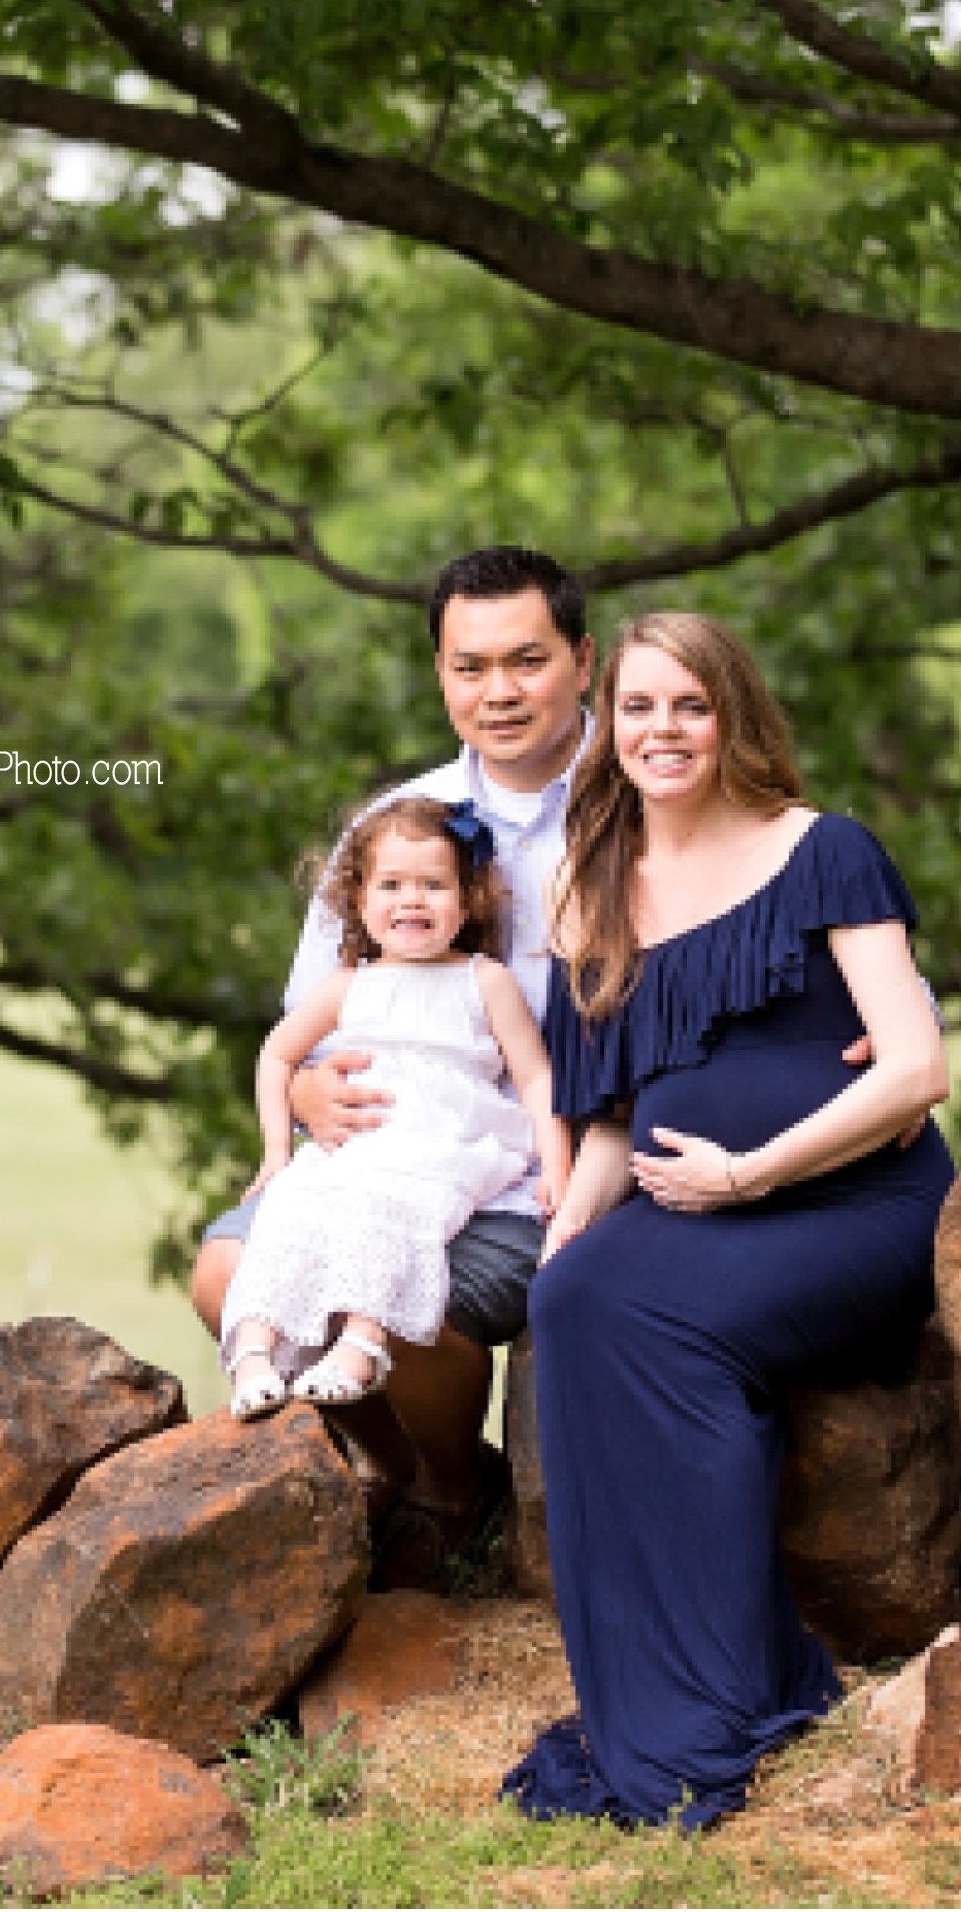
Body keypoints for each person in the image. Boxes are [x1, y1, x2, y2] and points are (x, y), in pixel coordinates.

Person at [503, 610, 955, 1831]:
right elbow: (608, 1123)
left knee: (659, 1324)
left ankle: (728, 1689)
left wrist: (749, 1173)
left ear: (731, 717)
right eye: (638, 707)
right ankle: (658, 1687)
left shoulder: (824, 850)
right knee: (573, 1297)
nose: (662, 730)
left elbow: (914, 1067)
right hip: (697, 1207)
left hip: (854, 1202)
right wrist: (566, 1232)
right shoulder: (589, 888)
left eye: (689, 706)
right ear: (608, 726)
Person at [190, 545, 594, 1562]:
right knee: (225, 1272)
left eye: (527, 659)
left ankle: (455, 1492)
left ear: (583, 660)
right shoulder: (391, 827)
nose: (498, 691)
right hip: (372, 1149)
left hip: (521, 1168)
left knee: (406, 1301)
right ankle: (399, 1470)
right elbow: (312, 1022)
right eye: (470, 666)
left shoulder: (643, 805)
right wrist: (305, 1094)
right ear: (440, 674)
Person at [224, 797, 573, 1416]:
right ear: (358, 900)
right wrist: (277, 1151)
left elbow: (535, 1075)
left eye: (433, 885)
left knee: (390, 1207)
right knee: (290, 1208)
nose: (412, 900)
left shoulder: (484, 981)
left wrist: (558, 1167)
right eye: (391, 885)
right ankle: (254, 1353)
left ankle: (362, 1343)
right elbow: (277, 1054)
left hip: (443, 1145)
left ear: (467, 900)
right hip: (361, 1142)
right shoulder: (347, 985)